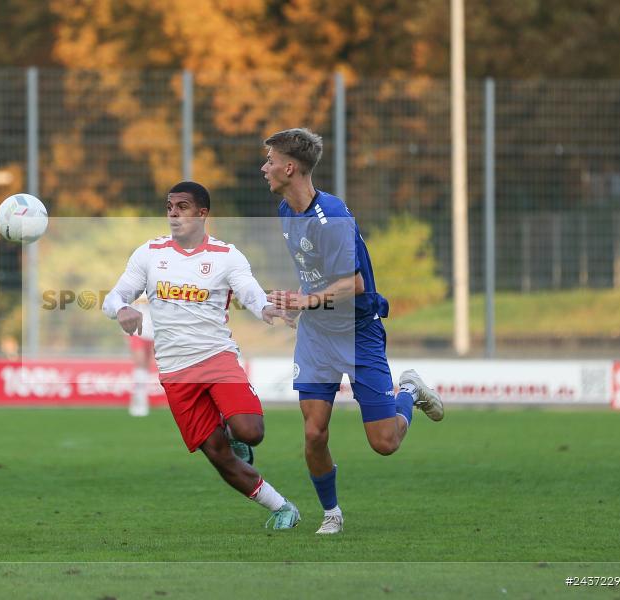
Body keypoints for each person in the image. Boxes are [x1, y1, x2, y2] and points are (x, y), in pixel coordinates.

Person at [261, 128, 444, 535]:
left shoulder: (333, 217)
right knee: (313, 431)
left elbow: (355, 284)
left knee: (384, 443)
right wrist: (293, 306)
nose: (265, 168)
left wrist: (304, 301)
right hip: (317, 336)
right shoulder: (286, 212)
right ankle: (331, 513)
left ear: (290, 168)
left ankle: (409, 391)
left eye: (270, 161)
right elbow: (314, 274)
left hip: (358, 331)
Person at [102, 181, 300, 529]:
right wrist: (121, 309)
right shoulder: (149, 253)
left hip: (216, 358)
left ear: (202, 213)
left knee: (250, 432)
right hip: (176, 372)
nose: (174, 214)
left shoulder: (226, 256)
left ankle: (233, 430)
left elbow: (251, 295)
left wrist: (269, 309)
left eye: (182, 207)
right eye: (169, 207)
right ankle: (282, 507)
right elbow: (112, 298)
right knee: (217, 455)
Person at [125, 295, 154, 417]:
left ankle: (142, 395)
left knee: (147, 364)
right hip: (136, 328)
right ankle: (139, 398)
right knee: (140, 362)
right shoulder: (134, 283)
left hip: (154, 329)